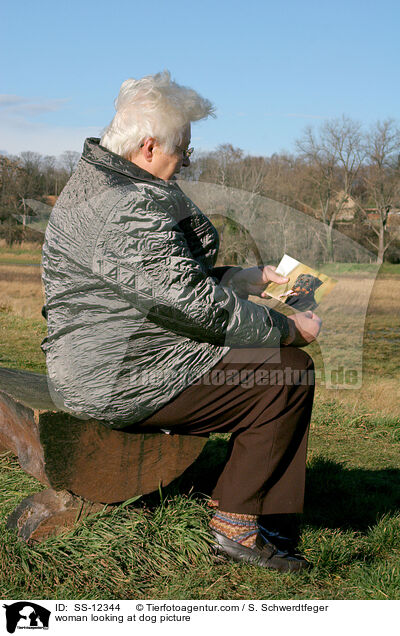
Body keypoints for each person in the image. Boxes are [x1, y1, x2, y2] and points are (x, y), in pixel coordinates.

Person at [41, 71, 322, 572]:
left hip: (105, 358)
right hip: (119, 376)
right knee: (288, 373)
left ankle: (268, 518)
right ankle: (238, 525)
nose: (188, 160)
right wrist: (285, 328)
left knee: (280, 369)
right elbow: (189, 302)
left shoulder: (102, 183)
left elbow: (158, 282)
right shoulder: (127, 207)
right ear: (148, 146)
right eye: (185, 148)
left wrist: (246, 278)